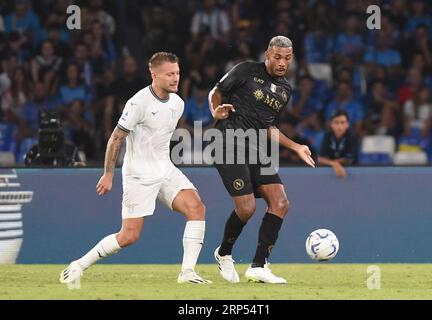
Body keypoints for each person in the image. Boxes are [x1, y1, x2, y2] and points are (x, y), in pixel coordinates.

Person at [59, 52, 211, 285]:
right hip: (139, 174)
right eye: (170, 74)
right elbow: (116, 138)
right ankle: (79, 264)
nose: (175, 78)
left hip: (165, 169)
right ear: (154, 75)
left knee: (197, 208)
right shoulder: (138, 102)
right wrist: (109, 174)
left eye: (178, 73)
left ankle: (187, 273)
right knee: (129, 236)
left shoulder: (178, 103)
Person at [208, 36, 315, 284]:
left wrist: (297, 146)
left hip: (256, 148)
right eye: (277, 56)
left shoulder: (285, 90)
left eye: (287, 58)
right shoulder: (246, 70)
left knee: (280, 202)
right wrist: (215, 109)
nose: (281, 63)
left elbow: (268, 126)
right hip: (227, 142)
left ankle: (259, 266)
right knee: (246, 208)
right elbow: (217, 91)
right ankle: (224, 253)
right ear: (267, 53)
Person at [318, 110, 358, 178]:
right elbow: (320, 159)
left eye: (342, 123)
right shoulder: (327, 136)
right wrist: (334, 164)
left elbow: (349, 159)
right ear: (331, 124)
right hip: (330, 173)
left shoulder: (352, 137)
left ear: (347, 124)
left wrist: (332, 163)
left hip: (352, 173)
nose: (339, 126)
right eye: (336, 122)